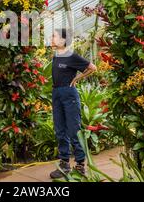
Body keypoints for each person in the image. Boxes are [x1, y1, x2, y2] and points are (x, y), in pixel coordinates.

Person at [49, 28, 97, 179]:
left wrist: (76, 79)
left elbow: (92, 68)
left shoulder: (71, 56)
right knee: (60, 130)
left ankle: (80, 165)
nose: (51, 38)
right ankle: (64, 164)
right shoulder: (56, 56)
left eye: (54, 36)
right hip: (56, 93)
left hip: (69, 94)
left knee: (73, 130)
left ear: (63, 40)